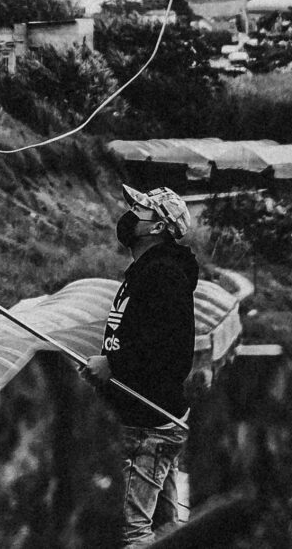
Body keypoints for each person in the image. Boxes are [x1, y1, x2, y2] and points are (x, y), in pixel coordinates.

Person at [91, 187, 211, 547]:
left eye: (138, 211)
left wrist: (114, 365)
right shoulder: (146, 272)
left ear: (157, 227)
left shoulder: (163, 276)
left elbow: (170, 352)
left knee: (131, 531)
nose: (128, 216)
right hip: (147, 418)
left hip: (147, 423)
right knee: (164, 530)